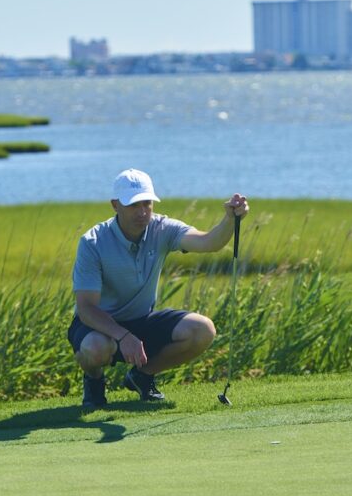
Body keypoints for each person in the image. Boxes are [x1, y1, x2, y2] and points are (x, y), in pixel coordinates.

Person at [68, 168, 249, 408]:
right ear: (115, 205)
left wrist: (229, 219)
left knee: (202, 330)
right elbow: (87, 309)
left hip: (141, 321)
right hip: (98, 325)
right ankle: (94, 381)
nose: (142, 212)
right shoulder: (93, 242)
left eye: (147, 204)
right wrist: (123, 336)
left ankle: (141, 376)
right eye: (134, 205)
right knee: (95, 348)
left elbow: (208, 242)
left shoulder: (162, 228)